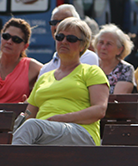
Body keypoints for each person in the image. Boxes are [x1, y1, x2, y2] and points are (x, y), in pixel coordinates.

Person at [12, 18, 108, 147]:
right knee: (29, 140)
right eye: (60, 37)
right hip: (43, 133)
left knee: (31, 128)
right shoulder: (45, 77)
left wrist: (62, 118)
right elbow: (29, 114)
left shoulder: (91, 71)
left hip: (81, 132)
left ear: (82, 45)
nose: (64, 41)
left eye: (71, 39)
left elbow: (99, 110)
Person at [0, 18, 42, 103]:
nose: (9, 41)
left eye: (16, 40)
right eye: (6, 36)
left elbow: (54, 75)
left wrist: (30, 100)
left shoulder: (32, 67)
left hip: (18, 115)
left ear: (25, 46)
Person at [38, 4, 99, 77]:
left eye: (71, 38)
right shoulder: (45, 69)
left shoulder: (89, 57)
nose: (57, 26)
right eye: (60, 37)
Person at [94, 24, 137, 94]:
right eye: (101, 42)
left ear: (119, 50)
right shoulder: (91, 65)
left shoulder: (125, 69)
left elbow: (117, 98)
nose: (103, 47)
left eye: (109, 44)